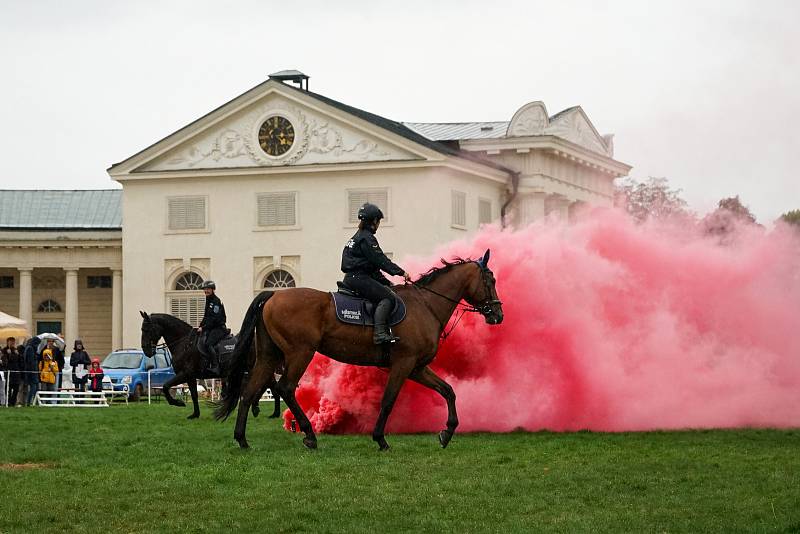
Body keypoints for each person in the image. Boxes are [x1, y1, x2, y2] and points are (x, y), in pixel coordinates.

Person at [341, 202, 412, 344]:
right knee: (388, 298)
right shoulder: (367, 238)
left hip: (353, 277)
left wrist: (388, 283)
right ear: (374, 221)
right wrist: (401, 272)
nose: (378, 224)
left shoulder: (357, 236)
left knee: (386, 290)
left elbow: (372, 267)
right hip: (359, 278)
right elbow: (380, 260)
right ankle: (379, 333)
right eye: (378, 221)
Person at [196, 280, 226, 373]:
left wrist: (204, 328)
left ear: (213, 290)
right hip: (211, 328)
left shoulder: (216, 301)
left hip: (218, 328)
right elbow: (206, 316)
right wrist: (200, 326)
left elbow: (214, 319)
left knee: (208, 344)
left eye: (208, 289)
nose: (206, 291)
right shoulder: (208, 300)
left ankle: (215, 366)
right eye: (205, 289)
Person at [1, 338, 22, 406]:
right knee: (8, 388)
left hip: (16, 372)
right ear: (7, 342)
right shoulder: (4, 350)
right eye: (10, 342)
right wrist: (8, 354)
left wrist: (18, 354)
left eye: (13, 342)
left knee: (16, 388)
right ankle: (8, 402)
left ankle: (13, 402)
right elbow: (5, 362)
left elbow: (20, 361)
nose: (12, 343)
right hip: (8, 372)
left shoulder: (16, 350)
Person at [23, 336, 41, 406]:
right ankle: (29, 402)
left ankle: (35, 402)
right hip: (32, 371)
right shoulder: (30, 348)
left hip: (33, 371)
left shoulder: (31, 348)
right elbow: (30, 361)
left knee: (36, 387)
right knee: (33, 387)